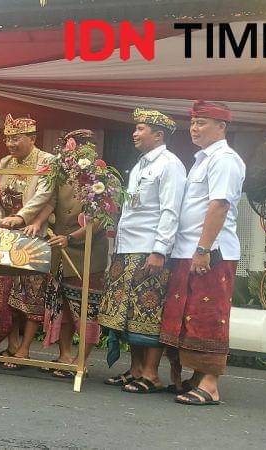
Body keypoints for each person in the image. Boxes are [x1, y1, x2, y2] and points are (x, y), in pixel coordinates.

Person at [161, 101, 245, 405]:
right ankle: (197, 376)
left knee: (209, 314)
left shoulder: (224, 159)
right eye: (194, 122)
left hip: (211, 251)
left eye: (203, 123)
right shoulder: (201, 160)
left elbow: (219, 206)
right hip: (190, 249)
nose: (195, 128)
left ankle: (210, 384)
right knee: (190, 313)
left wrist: (203, 249)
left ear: (222, 127)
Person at [97, 109, 186, 393]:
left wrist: (160, 251)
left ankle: (151, 374)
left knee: (148, 311)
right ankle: (135, 370)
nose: (134, 134)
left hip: (149, 248)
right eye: (135, 129)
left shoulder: (169, 164)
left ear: (158, 135)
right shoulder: (138, 166)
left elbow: (171, 211)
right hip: (127, 248)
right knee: (128, 313)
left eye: (141, 129)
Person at [0, 115, 55, 367]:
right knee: (4, 292)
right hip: (8, 236)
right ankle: (12, 345)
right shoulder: (4, 162)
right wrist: (2, 221)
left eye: (16, 138)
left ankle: (25, 348)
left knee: (31, 294)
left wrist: (21, 218)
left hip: (34, 234)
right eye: (8, 138)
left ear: (32, 138)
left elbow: (45, 195)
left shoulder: (47, 161)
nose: (10, 143)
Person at [40, 130, 110, 379]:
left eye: (79, 149)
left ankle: (82, 360)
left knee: (85, 310)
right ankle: (65, 356)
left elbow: (100, 220)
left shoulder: (102, 178)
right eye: (70, 148)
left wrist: (71, 238)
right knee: (62, 307)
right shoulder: (60, 175)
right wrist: (42, 222)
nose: (73, 153)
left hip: (88, 255)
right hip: (59, 251)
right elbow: (49, 205)